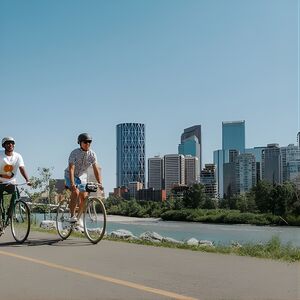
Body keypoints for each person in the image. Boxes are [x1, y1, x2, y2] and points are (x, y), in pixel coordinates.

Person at [64, 133, 103, 226]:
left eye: (89, 142)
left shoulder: (92, 154)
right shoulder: (74, 153)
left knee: (85, 197)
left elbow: (96, 168)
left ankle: (78, 218)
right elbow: (71, 168)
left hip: (82, 177)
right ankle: (72, 216)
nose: (87, 144)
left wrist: (100, 183)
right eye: (85, 142)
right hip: (70, 175)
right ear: (80, 143)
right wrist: (73, 184)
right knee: (76, 192)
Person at [0, 137, 31, 231]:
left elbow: (21, 168)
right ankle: (1, 218)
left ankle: (10, 214)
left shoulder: (18, 156)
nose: (10, 145)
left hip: (11, 182)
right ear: (4, 145)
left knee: (15, 195)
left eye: (12, 143)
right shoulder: (0, 155)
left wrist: (27, 180)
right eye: (8, 143)